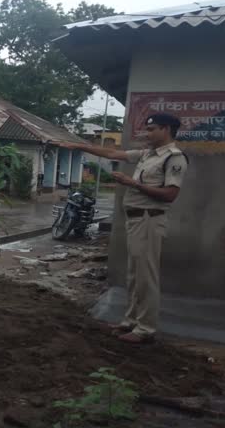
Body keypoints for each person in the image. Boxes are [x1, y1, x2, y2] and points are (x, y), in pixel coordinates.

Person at [53, 113, 187, 344]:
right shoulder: (147, 154)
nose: (147, 133)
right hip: (136, 220)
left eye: (152, 129)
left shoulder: (174, 158)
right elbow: (113, 153)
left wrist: (133, 183)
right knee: (135, 275)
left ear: (166, 129)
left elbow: (170, 195)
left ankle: (146, 329)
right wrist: (77, 145)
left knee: (146, 277)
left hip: (149, 220)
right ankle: (131, 322)